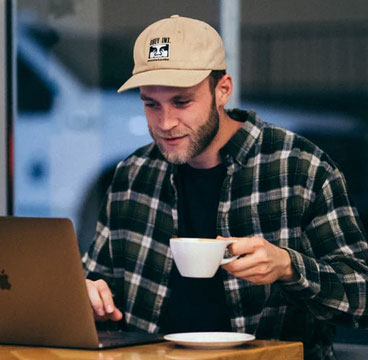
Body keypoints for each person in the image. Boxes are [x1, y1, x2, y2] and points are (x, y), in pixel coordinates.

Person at [82, 15, 368, 360]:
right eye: (151, 104)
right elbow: (96, 283)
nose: (166, 123)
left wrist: (289, 267)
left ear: (223, 90)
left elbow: (361, 298)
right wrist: (88, 296)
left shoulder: (300, 168)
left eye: (182, 102)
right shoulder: (132, 174)